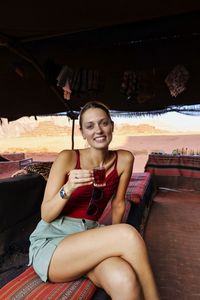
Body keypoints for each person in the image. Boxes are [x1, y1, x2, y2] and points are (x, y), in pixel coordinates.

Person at [28, 101, 160, 300]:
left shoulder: (124, 159)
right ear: (82, 132)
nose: (98, 130)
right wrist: (68, 188)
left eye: (103, 123)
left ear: (112, 126)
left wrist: (113, 245)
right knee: (127, 234)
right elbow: (46, 215)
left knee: (124, 279)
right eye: (90, 126)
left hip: (90, 237)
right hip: (54, 243)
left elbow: (118, 204)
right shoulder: (67, 158)